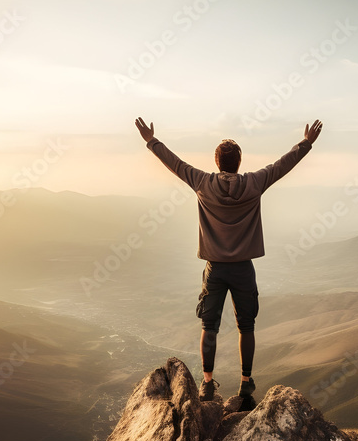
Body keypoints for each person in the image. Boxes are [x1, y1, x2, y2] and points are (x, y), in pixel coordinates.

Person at [134, 116, 323, 402]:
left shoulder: (202, 182)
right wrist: (306, 143)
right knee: (246, 327)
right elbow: (282, 166)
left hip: (215, 270)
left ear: (217, 162)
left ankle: (207, 383)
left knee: (209, 326)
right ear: (239, 161)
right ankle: (246, 384)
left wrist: (151, 141)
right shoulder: (254, 183)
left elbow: (175, 163)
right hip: (244, 270)